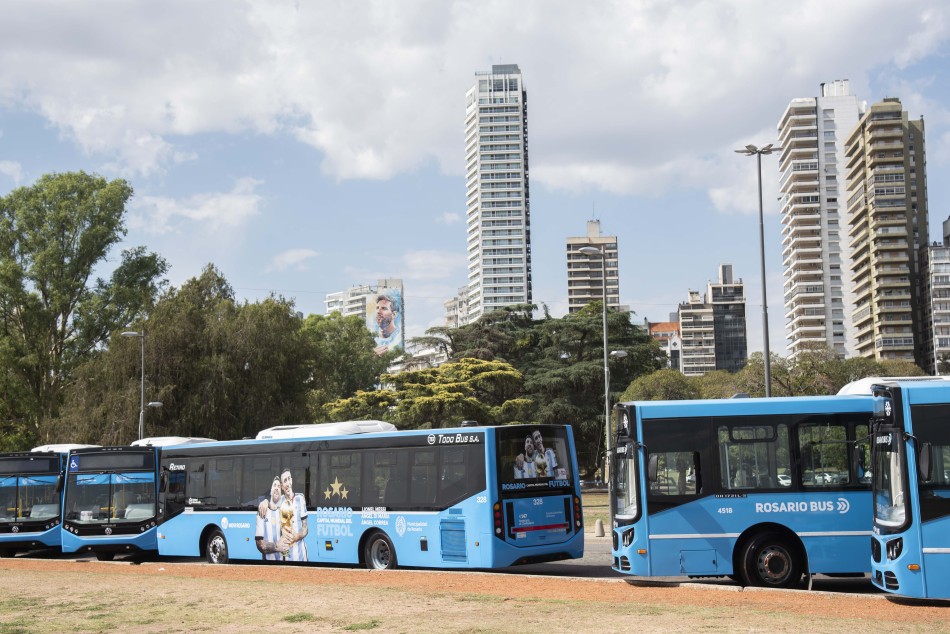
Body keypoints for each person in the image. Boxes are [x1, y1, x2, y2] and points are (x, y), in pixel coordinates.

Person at [277, 468, 309, 562]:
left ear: (292, 480)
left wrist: (296, 537)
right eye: (284, 481)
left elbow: (305, 528)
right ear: (282, 486)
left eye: (289, 479)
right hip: (285, 555)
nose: (287, 483)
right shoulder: (279, 501)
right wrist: (265, 502)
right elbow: (265, 500)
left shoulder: (300, 498)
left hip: (301, 555)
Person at [255, 477, 287, 560]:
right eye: (275, 485)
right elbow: (259, 544)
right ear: (271, 490)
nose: (276, 488)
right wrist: (276, 547)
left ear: (281, 492)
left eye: (279, 486)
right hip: (267, 566)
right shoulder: (262, 510)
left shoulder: (285, 511)